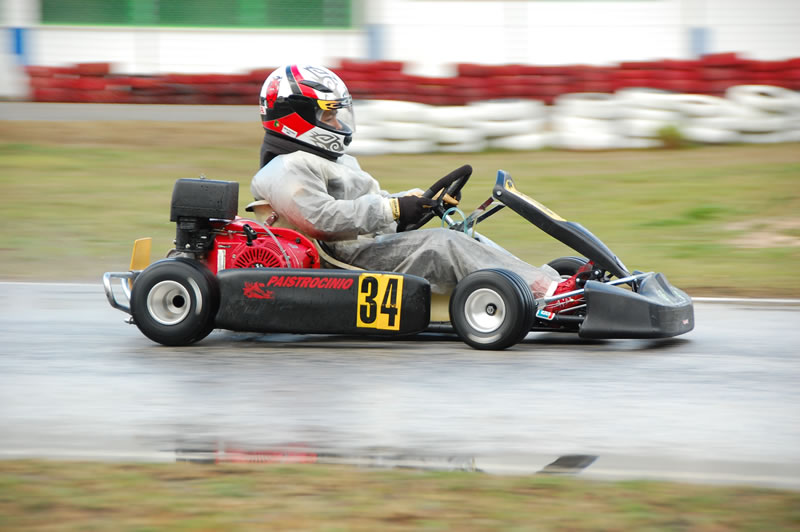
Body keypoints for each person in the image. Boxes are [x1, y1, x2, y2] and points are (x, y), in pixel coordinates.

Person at [250, 64, 580, 305]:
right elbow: (320, 219)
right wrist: (393, 209)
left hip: (365, 248)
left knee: (463, 234)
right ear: (295, 118)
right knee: (444, 243)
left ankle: (550, 282)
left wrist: (413, 204)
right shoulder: (284, 168)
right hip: (343, 264)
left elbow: (370, 205)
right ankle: (546, 295)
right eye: (328, 116)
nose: (337, 123)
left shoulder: (334, 161)